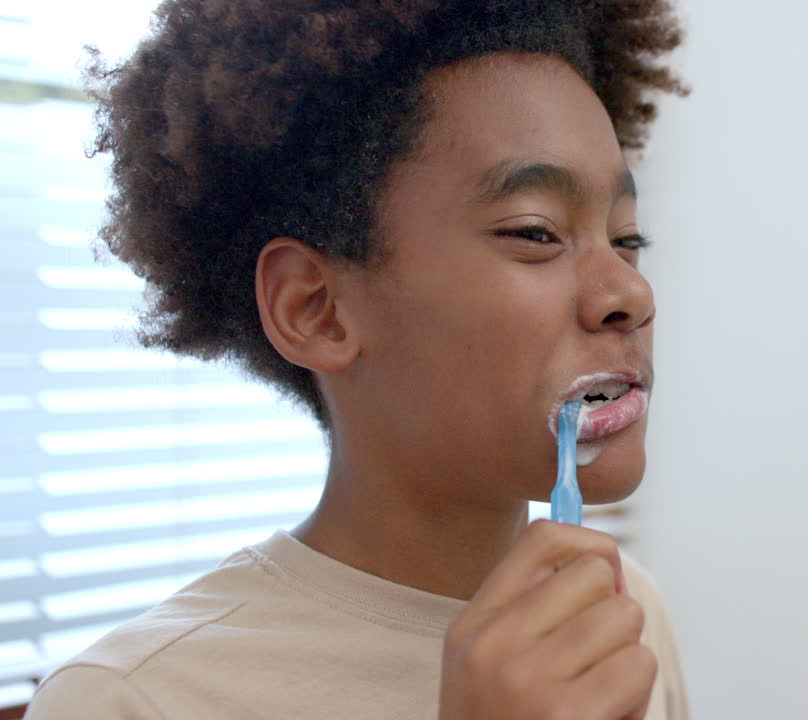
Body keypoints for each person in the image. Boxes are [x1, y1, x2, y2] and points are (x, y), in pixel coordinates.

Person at [24, 1, 688, 718]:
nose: (630, 292)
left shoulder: (622, 614)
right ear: (316, 308)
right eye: (534, 232)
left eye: (627, 239)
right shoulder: (131, 700)